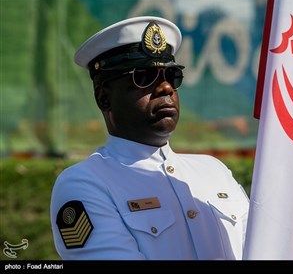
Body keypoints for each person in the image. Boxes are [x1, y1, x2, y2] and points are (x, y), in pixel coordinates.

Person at [50, 16, 249, 260]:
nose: (165, 88)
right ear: (104, 98)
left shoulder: (215, 171)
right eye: (144, 76)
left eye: (171, 76)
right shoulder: (85, 184)